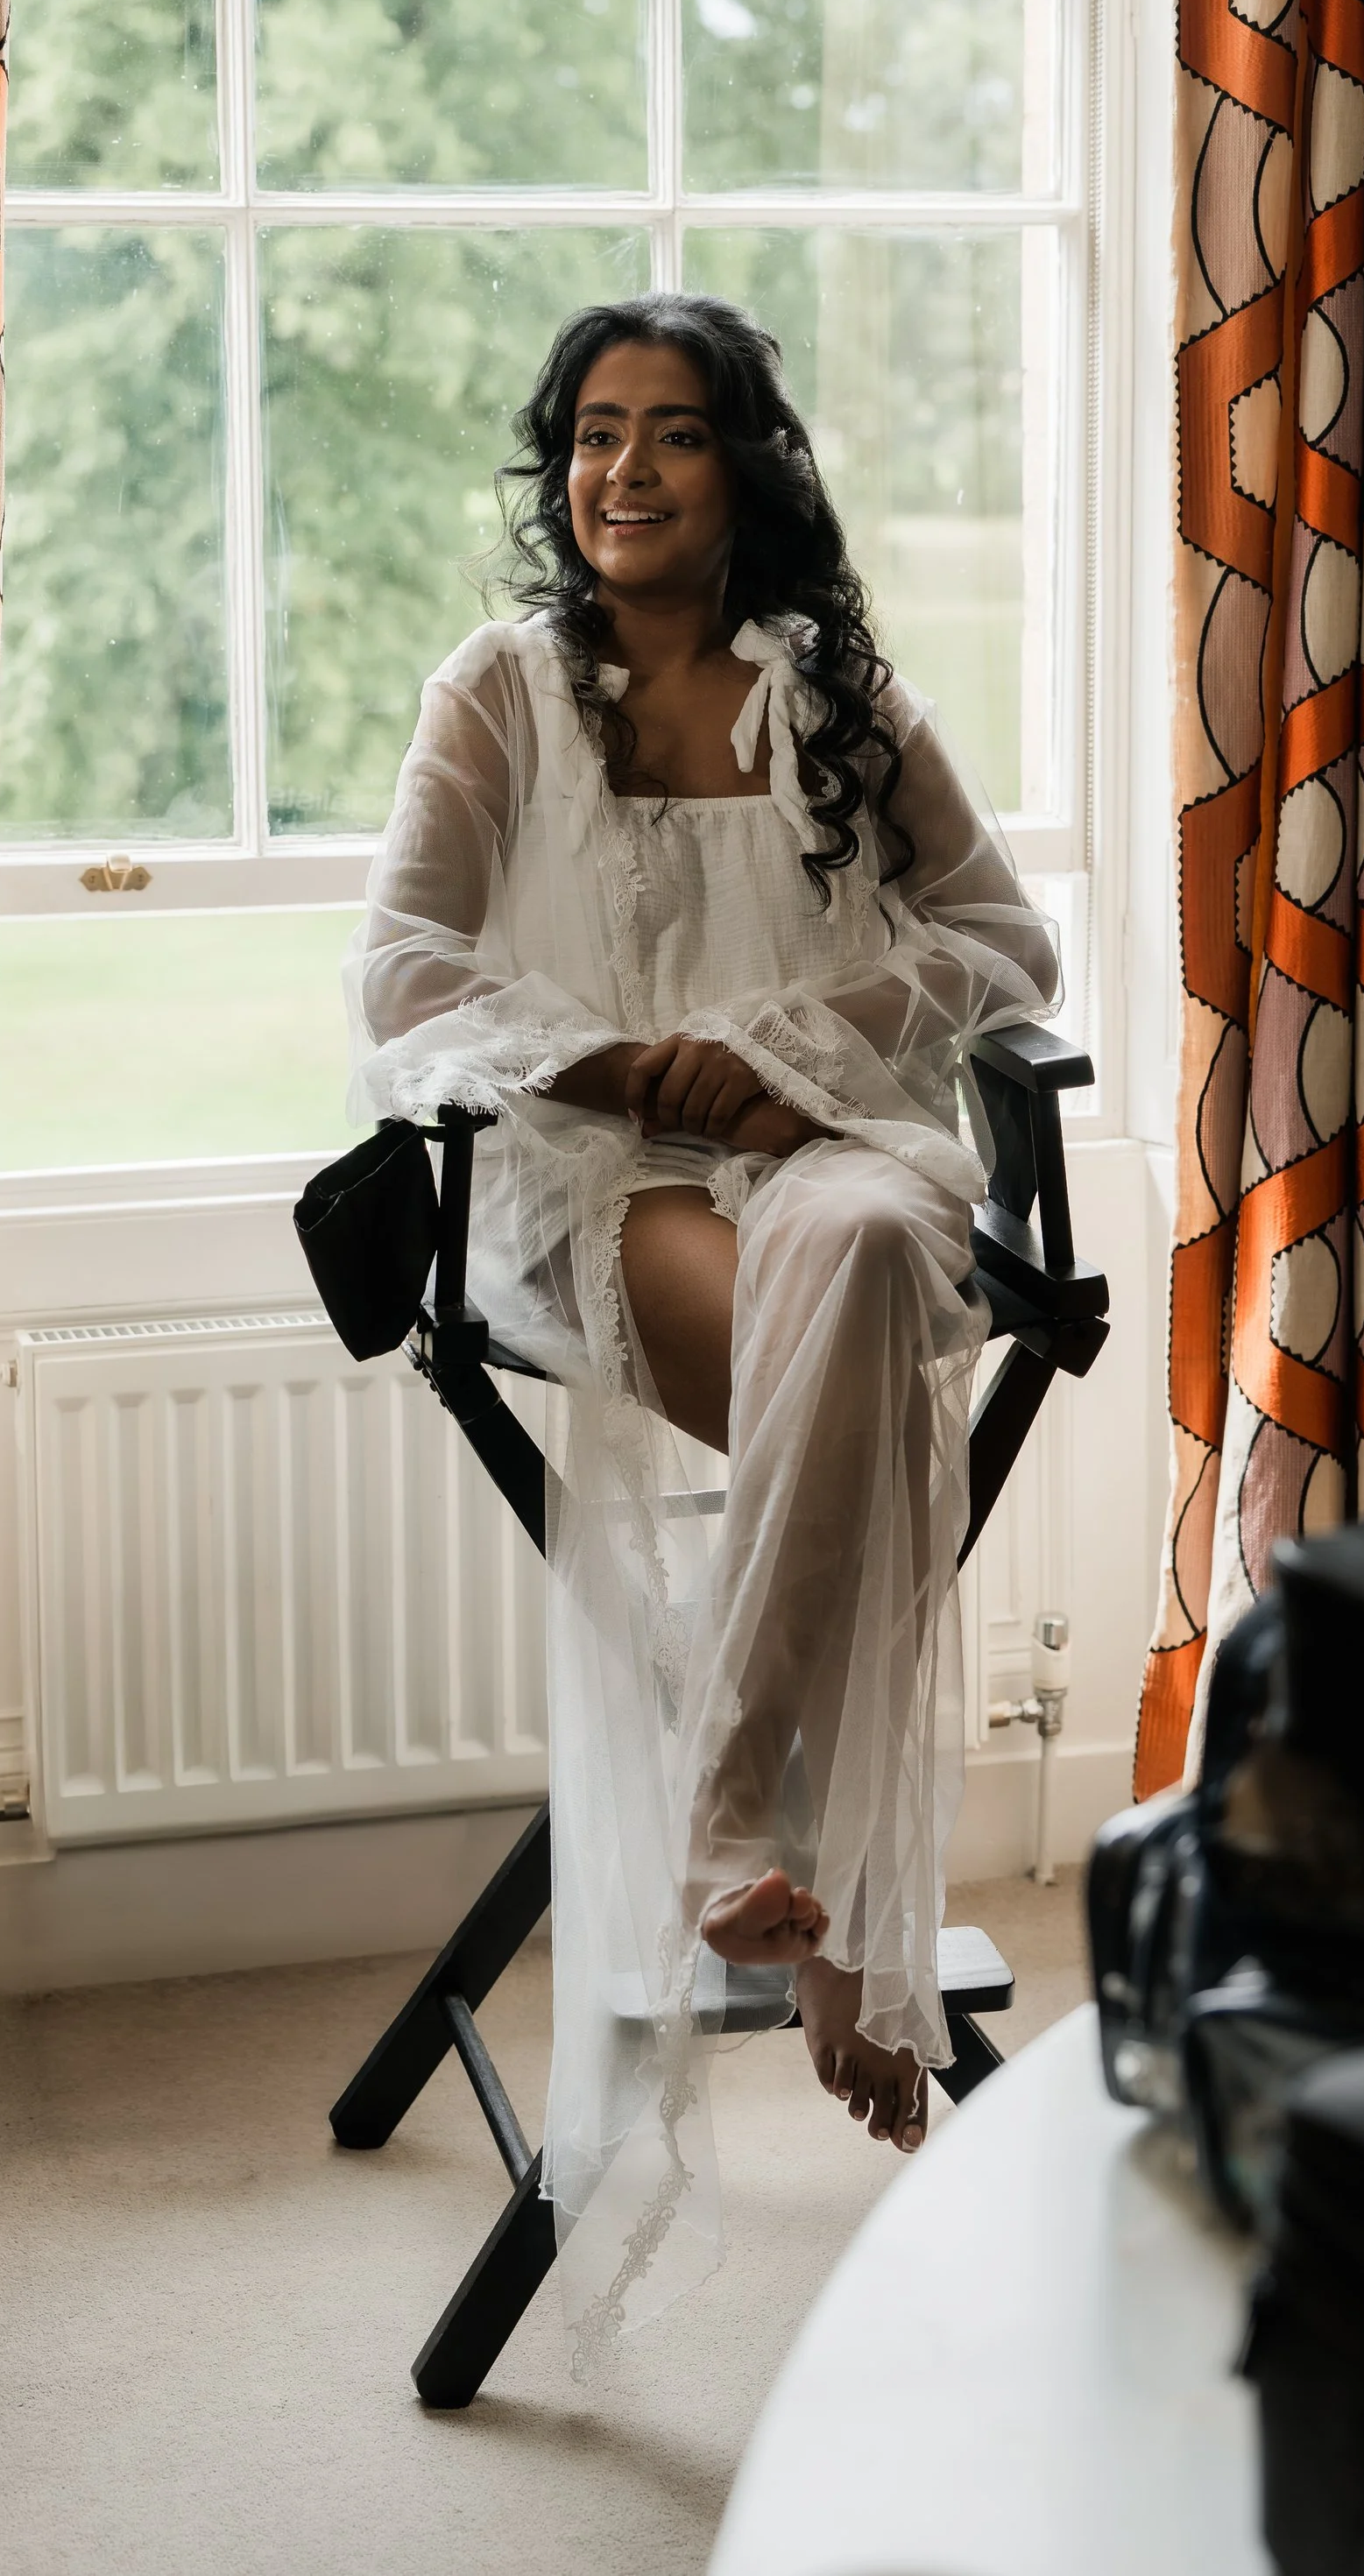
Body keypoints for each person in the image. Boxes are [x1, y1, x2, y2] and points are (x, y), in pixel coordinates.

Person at [349, 293, 1059, 2357]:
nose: (619, 472)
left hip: (824, 1152)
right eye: (588, 434)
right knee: (819, 1360)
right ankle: (828, 1900)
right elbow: (401, 970)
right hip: (602, 1180)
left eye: (666, 434)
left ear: (743, 467)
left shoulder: (838, 694)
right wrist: (621, 1068)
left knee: (845, 1256)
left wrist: (787, 1052)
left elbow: (999, 940)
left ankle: (746, 1829)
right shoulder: (496, 693)